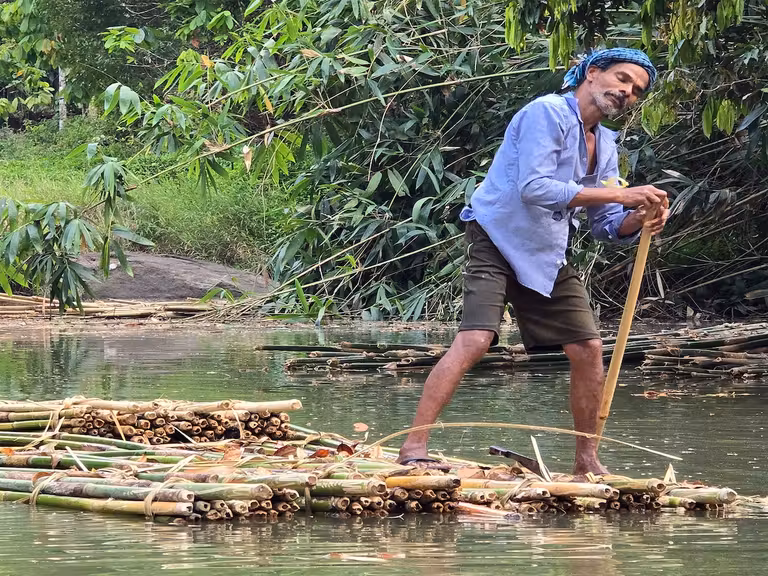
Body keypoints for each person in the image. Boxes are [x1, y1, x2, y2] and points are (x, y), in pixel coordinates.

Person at [397, 48, 670, 476]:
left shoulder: (608, 145)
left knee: (588, 347)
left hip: (547, 249)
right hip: (497, 235)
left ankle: (586, 462)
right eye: (621, 79)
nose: (626, 92)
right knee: (476, 340)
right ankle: (414, 446)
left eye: (636, 91)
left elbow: (605, 226)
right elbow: (535, 187)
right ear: (592, 74)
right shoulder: (546, 112)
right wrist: (623, 194)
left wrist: (638, 217)